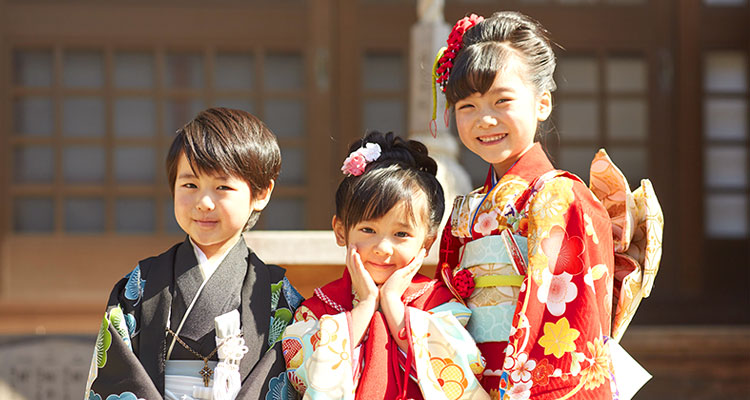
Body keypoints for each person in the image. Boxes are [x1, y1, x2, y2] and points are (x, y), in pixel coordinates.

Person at [432, 11, 663, 400]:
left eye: (501, 100)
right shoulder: (467, 207)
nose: (484, 119)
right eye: (466, 106)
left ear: (542, 103)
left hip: (525, 382)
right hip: (469, 382)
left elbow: (565, 327)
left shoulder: (560, 197)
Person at [84, 107, 304, 400]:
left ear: (261, 193)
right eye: (190, 184)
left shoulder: (277, 295)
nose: (203, 202)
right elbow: (116, 378)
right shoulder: (141, 285)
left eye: (222, 186)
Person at [281, 131, 489, 400]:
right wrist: (366, 305)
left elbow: (461, 372)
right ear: (341, 230)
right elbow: (301, 374)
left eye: (401, 234)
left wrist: (392, 304)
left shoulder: (440, 303)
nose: (383, 248)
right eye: (368, 229)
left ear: (426, 243)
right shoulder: (318, 307)